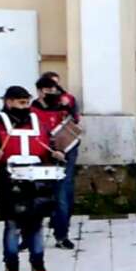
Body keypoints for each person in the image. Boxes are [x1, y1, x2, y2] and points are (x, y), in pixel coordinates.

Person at [0, 86, 65, 271]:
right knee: (13, 225)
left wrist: (56, 154)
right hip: (10, 180)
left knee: (36, 224)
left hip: (37, 181)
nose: (25, 106)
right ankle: (11, 266)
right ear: (9, 102)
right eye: (21, 102)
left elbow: (49, 147)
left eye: (27, 102)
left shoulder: (40, 124)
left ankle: (38, 263)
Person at [30, 76, 80, 249]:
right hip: (38, 157)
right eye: (48, 90)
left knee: (62, 196)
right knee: (33, 197)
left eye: (54, 90)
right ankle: (28, 236)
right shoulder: (31, 110)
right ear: (40, 91)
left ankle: (61, 235)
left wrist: (64, 150)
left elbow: (73, 129)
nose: (52, 93)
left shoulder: (63, 108)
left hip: (62, 155)